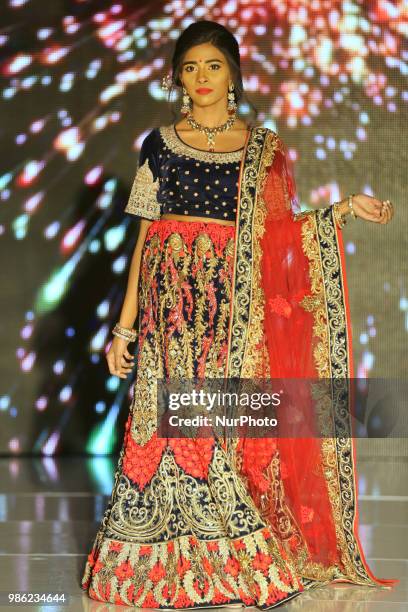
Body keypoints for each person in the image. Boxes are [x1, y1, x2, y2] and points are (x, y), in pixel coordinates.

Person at [81, 20, 395, 609]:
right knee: (159, 421)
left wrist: (345, 209)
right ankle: (147, 554)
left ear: (234, 75)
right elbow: (145, 242)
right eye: (190, 67)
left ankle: (224, 547)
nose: (200, 78)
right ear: (177, 77)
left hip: (232, 312)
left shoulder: (262, 148)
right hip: (168, 309)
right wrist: (124, 327)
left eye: (213, 66)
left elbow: (281, 235)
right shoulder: (158, 143)